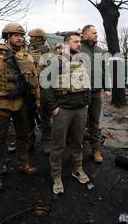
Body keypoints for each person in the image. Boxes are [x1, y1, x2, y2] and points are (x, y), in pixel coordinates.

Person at [0, 23, 40, 192]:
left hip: (23, 103)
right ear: (7, 37)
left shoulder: (28, 57)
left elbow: (35, 81)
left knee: (23, 135)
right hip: (2, 102)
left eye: (21, 35)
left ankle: (23, 163)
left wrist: (37, 101)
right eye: (15, 35)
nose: (19, 38)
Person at [42, 32, 91, 194]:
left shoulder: (82, 60)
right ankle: (56, 176)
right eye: (76, 42)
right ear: (66, 43)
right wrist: (53, 107)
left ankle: (77, 168)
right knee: (58, 145)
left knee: (78, 142)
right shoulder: (56, 61)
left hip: (80, 109)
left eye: (80, 42)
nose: (79, 44)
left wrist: (87, 102)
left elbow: (87, 82)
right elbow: (45, 85)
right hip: (63, 110)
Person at [80, 25, 111, 163]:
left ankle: (95, 150)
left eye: (97, 32)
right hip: (79, 92)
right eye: (94, 32)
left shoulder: (101, 51)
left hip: (95, 92)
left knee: (94, 122)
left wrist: (107, 88)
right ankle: (77, 147)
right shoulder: (77, 48)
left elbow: (105, 71)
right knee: (78, 121)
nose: (97, 35)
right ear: (85, 34)